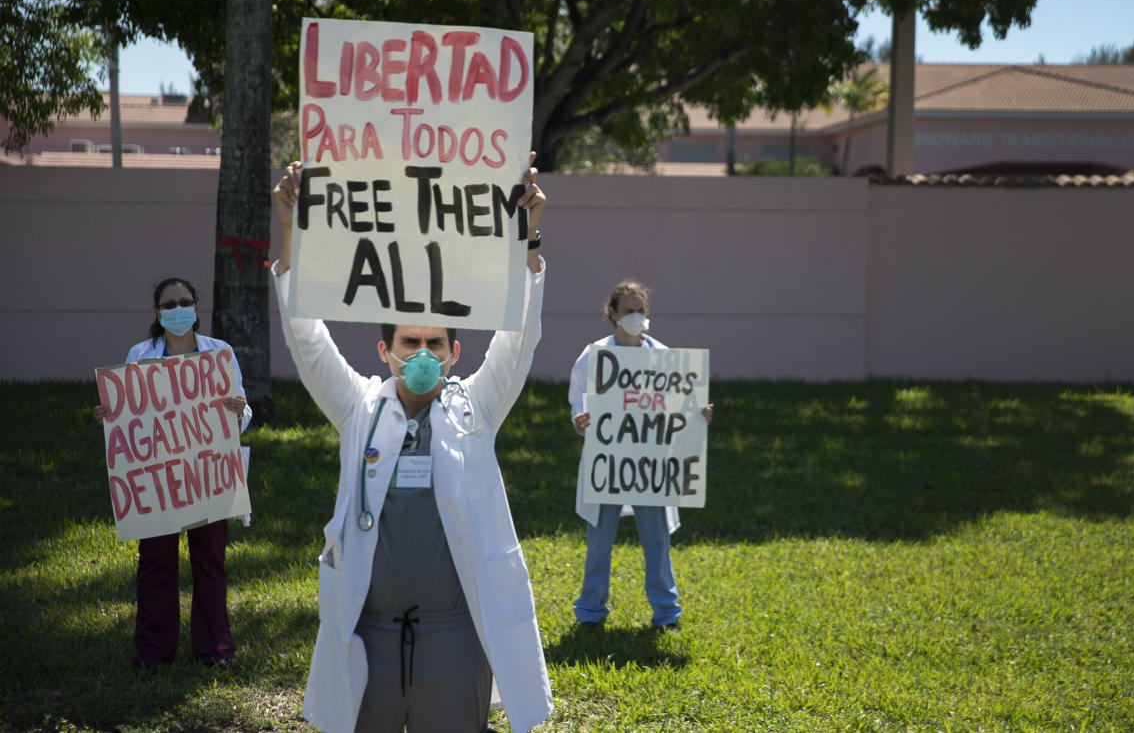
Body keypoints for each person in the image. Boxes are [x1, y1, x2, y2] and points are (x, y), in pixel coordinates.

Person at [270, 157, 553, 733]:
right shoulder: (357, 407)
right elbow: (306, 336)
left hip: (456, 633)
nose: (421, 354)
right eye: (408, 342)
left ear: (455, 353)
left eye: (434, 343)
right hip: (368, 629)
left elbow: (519, 334)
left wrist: (527, 234)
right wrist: (291, 227)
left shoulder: (479, 406)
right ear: (384, 351)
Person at [92, 277, 251, 667]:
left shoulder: (221, 353)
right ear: (158, 313)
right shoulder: (140, 354)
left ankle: (214, 650)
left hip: (206, 473)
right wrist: (111, 417)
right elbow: (130, 419)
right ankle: (154, 651)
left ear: (196, 308)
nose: (177, 309)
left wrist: (237, 411)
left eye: (185, 302)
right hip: (157, 477)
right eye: (169, 303)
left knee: (210, 560)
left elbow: (243, 414)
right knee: (156, 562)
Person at [568, 280, 712, 632]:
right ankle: (590, 612)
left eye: (640, 310)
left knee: (657, 543)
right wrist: (580, 421)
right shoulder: (594, 357)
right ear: (612, 313)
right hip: (609, 465)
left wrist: (699, 416)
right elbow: (578, 404)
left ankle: (666, 615)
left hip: (651, 466)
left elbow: (680, 408)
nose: (635, 317)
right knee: (599, 544)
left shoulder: (665, 357)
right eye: (628, 310)